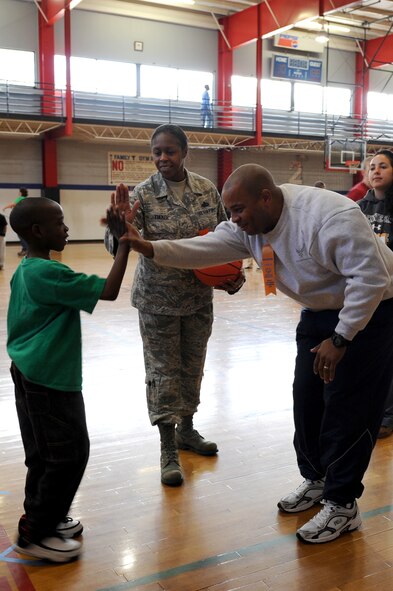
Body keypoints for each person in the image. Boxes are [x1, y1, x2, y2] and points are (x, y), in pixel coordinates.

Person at [120, 163, 393, 544]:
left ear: (266, 197)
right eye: (230, 212)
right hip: (317, 312)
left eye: (238, 210)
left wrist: (343, 337)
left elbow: (372, 278)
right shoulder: (248, 225)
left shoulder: (329, 216)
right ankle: (316, 479)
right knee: (307, 400)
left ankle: (343, 503)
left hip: (370, 312)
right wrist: (147, 246)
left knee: (348, 409)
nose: (233, 220)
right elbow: (203, 249)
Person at [105, 123, 244, 487]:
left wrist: (233, 276)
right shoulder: (143, 194)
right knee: (163, 372)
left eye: (169, 151)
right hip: (158, 300)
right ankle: (167, 445)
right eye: (157, 152)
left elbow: (226, 238)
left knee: (192, 367)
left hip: (198, 297)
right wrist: (118, 227)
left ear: (184, 152)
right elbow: (118, 246)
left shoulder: (206, 189)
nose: (163, 158)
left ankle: (188, 429)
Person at [7, 196, 137, 563]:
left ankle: (41, 515)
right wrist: (125, 243)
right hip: (49, 378)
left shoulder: (28, 269)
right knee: (68, 454)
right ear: (37, 231)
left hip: (28, 370)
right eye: (60, 222)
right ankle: (35, 535)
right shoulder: (49, 273)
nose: (66, 228)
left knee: (43, 454)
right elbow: (109, 291)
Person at [358, 149, 393, 439]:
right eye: (372, 167)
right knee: (369, 354)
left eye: (383, 166)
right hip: (369, 292)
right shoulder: (359, 208)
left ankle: (388, 416)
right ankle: (369, 409)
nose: (376, 171)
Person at [3, 187, 29, 256]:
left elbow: (13, 204)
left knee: (21, 235)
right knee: (23, 235)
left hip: (20, 220)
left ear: (20, 192)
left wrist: (5, 207)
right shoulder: (26, 199)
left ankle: (26, 249)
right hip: (26, 219)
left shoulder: (20, 198)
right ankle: (25, 249)